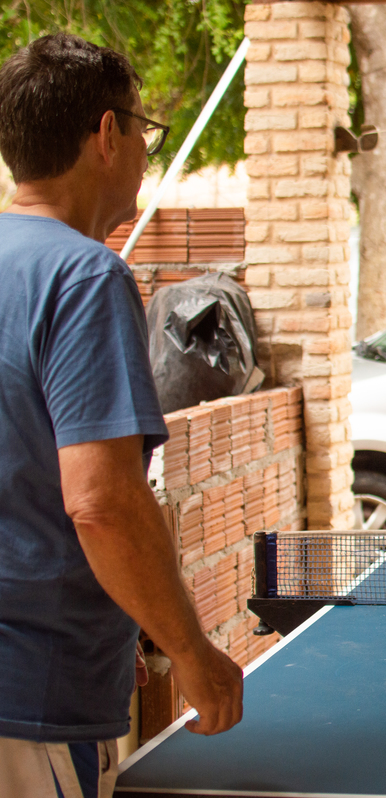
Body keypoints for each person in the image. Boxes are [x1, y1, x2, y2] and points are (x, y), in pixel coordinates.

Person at [0, 33, 243, 796]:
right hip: (34, 694)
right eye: (145, 129)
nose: (145, 151)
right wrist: (192, 651)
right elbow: (101, 501)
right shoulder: (83, 275)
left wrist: (123, 609)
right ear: (108, 134)